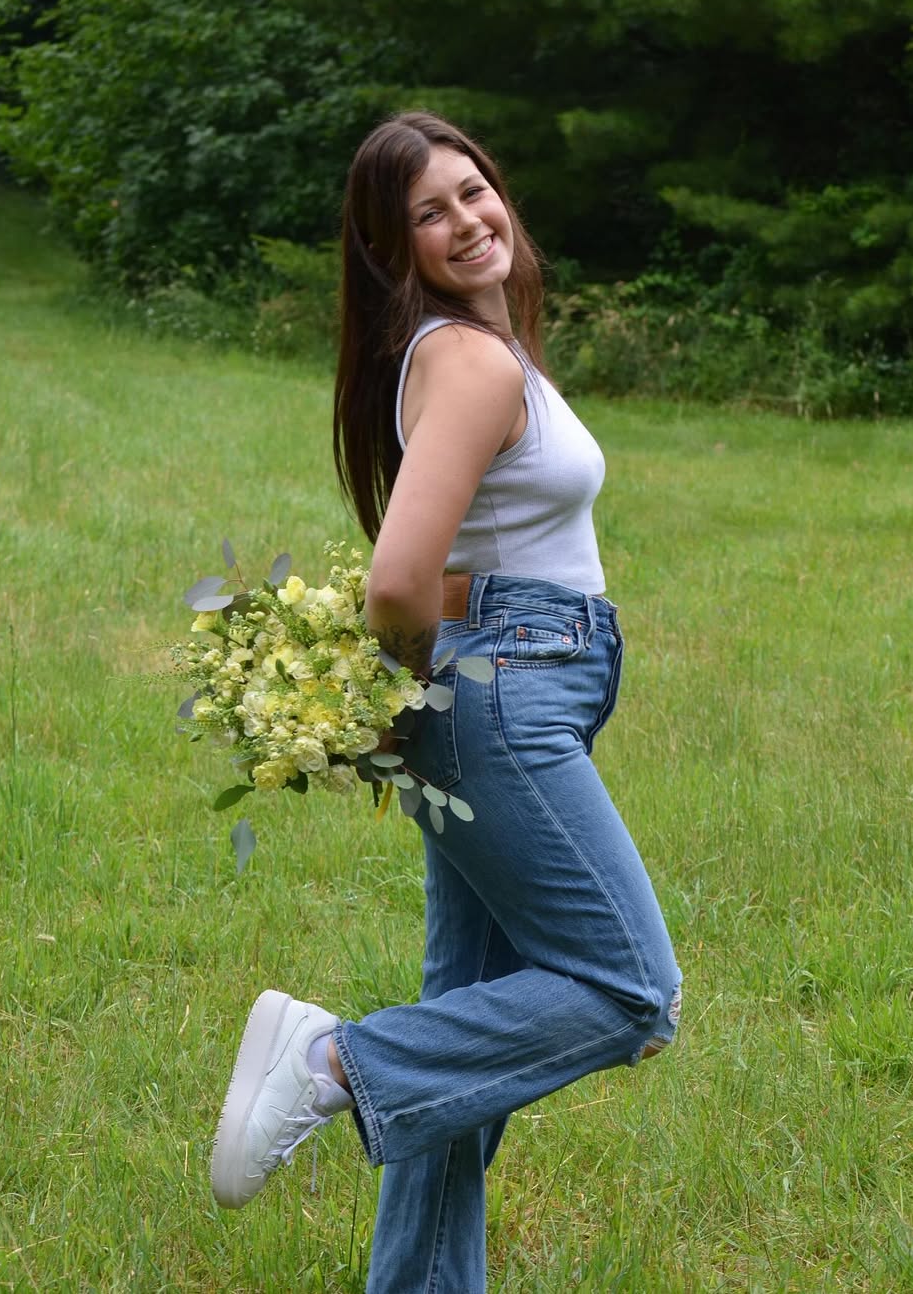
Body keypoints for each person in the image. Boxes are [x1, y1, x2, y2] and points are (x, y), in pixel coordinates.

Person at [210, 111, 682, 1292]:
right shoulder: (467, 362)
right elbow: (398, 578)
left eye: (475, 192)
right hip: (506, 692)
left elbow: (458, 560)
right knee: (629, 989)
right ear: (395, 248)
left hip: (508, 680)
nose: (470, 221)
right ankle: (333, 1061)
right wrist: (416, 685)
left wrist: (439, 680)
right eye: (432, 213)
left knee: (470, 1039)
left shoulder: (472, 350)